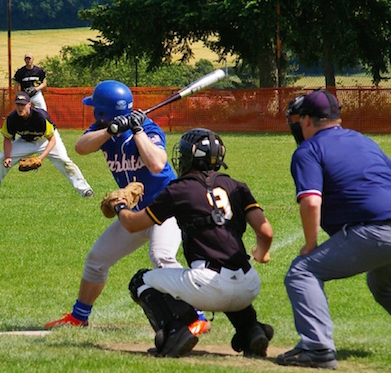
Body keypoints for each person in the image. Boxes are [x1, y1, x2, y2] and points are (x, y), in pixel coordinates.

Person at [278, 89, 391, 369]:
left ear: (307, 120)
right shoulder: (361, 140)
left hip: (376, 232)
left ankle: (317, 347)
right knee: (384, 285)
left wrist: (310, 245)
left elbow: (310, 201)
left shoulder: (308, 150)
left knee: (302, 271)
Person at [44, 81, 211, 336]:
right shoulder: (102, 129)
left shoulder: (149, 129)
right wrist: (112, 130)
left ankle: (197, 316)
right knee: (97, 260)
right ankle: (79, 317)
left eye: (95, 109)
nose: (92, 113)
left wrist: (137, 130)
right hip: (135, 214)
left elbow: (157, 164)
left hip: (166, 209)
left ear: (102, 111)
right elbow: (80, 147)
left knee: (161, 258)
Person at [113, 128, 274, 357]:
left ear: (189, 157)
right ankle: (251, 329)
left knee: (140, 282)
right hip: (248, 283)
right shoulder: (237, 185)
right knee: (228, 285)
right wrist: (262, 252)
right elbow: (265, 232)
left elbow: (132, 225)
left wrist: (120, 206)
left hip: (208, 282)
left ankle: (175, 332)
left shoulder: (179, 189)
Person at [0, 92, 93, 198]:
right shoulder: (11, 119)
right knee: (1, 159)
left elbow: (52, 140)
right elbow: (7, 138)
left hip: (46, 140)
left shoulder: (40, 117)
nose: (20, 108)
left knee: (64, 161)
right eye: (18, 105)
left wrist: (40, 158)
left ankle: (85, 190)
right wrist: (8, 156)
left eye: (23, 105)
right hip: (25, 141)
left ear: (29, 104)